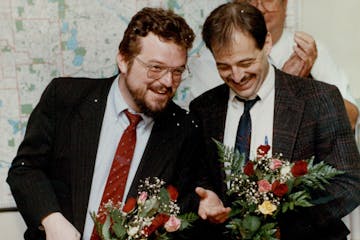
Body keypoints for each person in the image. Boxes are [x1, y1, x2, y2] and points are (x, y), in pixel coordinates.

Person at [7, 7, 208, 240]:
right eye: (156, 68)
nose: (167, 82)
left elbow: (181, 217)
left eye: (177, 71)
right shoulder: (65, 98)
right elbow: (25, 169)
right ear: (123, 59)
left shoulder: (184, 129)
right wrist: (51, 220)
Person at [190, 2, 360, 240]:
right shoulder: (203, 108)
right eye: (224, 67)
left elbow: (349, 183)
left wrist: (284, 228)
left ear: (267, 43)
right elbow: (200, 175)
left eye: (246, 63)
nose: (237, 76)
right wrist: (208, 196)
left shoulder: (320, 98)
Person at [183, 0, 359, 131]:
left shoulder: (309, 50)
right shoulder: (211, 59)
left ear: (285, 4)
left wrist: (298, 86)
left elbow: (350, 119)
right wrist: (283, 82)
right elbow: (208, 126)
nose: (258, 6)